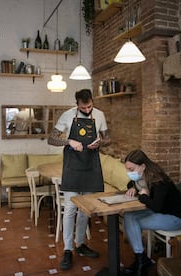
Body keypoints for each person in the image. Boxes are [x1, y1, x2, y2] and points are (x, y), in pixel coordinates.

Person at [48, 89, 110, 270]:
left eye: (89, 106)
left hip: (91, 166)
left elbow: (108, 139)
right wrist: (69, 142)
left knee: (86, 209)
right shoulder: (67, 116)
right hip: (73, 167)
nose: (87, 109)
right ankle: (68, 249)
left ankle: (80, 243)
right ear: (77, 104)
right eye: (83, 107)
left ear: (92, 102)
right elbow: (51, 139)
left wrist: (100, 143)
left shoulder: (99, 115)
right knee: (70, 209)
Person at [122, 149, 181, 276]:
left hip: (175, 218)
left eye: (131, 169)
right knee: (128, 216)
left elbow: (156, 206)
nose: (129, 173)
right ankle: (141, 259)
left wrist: (143, 197)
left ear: (143, 166)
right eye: (127, 169)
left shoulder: (158, 180)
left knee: (132, 222)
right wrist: (132, 188)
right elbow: (131, 182)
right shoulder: (142, 176)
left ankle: (141, 260)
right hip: (161, 212)